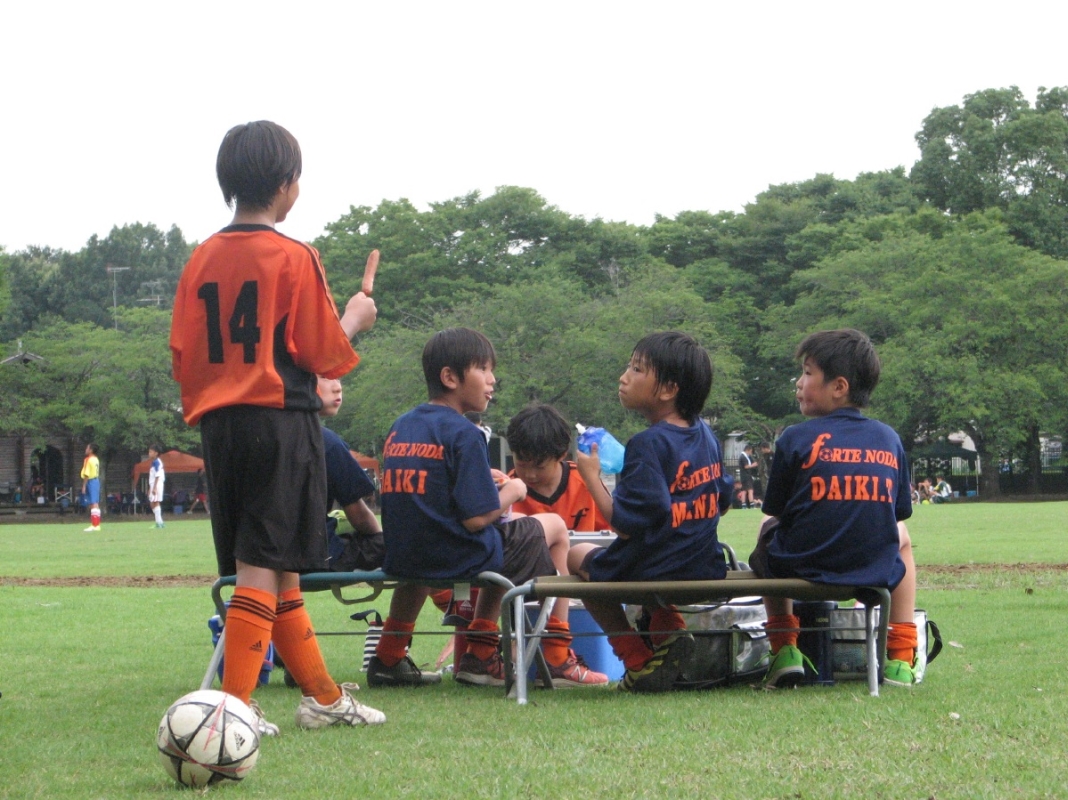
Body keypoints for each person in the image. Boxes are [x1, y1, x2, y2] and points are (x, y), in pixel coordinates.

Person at [169, 120, 384, 732]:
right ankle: (230, 711)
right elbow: (319, 350)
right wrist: (355, 317)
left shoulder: (201, 258)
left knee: (279, 568)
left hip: (220, 428)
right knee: (263, 567)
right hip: (278, 429)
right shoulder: (293, 256)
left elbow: (183, 354)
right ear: (287, 184)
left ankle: (322, 696)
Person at [366, 328, 590, 689]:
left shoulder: (402, 426)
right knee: (552, 527)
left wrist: (483, 481)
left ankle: (388, 658)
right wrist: (513, 490)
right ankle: (547, 653)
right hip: (457, 555)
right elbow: (474, 519)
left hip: (404, 554)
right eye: (483, 369)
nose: (492, 379)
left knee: (496, 538)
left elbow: (433, 490)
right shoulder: (465, 432)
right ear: (450, 377)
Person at [750, 328, 919, 688]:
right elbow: (898, 512)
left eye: (807, 373)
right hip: (870, 568)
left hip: (800, 564)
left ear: (839, 387)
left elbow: (777, 508)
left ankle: (784, 648)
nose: (799, 383)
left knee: (767, 528)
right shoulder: (889, 438)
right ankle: (901, 657)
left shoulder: (794, 437)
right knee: (903, 538)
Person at [568, 331, 734, 693]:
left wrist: (591, 477)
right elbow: (723, 500)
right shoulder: (707, 436)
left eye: (637, 369)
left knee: (576, 556)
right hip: (704, 564)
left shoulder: (647, 444)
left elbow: (625, 527)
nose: (623, 377)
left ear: (668, 390)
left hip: (657, 568)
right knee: (633, 560)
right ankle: (668, 628)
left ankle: (636, 659)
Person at [502, 402, 610, 685]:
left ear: (561, 456)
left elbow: (611, 536)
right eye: (521, 463)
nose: (530, 474)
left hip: (581, 590)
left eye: (539, 466)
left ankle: (561, 657)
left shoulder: (585, 482)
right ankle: (549, 657)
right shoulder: (508, 489)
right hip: (522, 591)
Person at [316, 375, 385, 572]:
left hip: (254, 556)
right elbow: (360, 518)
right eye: (326, 378)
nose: (337, 387)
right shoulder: (327, 443)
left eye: (338, 379)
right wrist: (380, 539)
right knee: (408, 547)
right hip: (318, 557)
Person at [81, 443, 102, 532]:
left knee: (93, 503)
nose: (86, 449)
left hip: (91, 481)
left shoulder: (88, 459)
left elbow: (86, 474)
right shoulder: (96, 459)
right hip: (96, 481)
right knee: (94, 503)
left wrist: (84, 486)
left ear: (91, 450)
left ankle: (95, 525)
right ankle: (96, 524)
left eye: (87, 448)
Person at [147, 445, 166, 529]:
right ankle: (160, 522)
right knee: (152, 502)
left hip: (157, 484)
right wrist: (150, 488)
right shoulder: (154, 462)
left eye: (151, 452)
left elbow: (158, 475)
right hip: (153, 484)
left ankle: (159, 523)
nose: (149, 453)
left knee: (155, 502)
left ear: (156, 453)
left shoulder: (157, 462)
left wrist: (154, 487)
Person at [738, 443, 759, 508]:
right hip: (746, 476)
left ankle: (743, 505)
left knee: (744, 491)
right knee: (750, 490)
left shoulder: (745, 456)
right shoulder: (743, 457)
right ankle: (752, 504)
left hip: (744, 476)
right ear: (748, 450)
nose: (751, 453)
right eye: (751, 451)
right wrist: (753, 465)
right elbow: (746, 466)